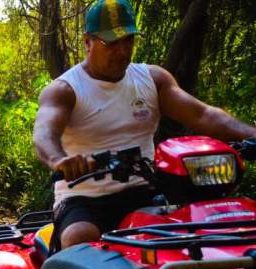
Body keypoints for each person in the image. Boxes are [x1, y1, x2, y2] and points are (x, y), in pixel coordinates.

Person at [33, 0, 256, 252]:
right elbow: (43, 132)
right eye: (111, 43)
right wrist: (59, 160)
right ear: (88, 42)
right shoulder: (66, 89)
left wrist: (252, 134)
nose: (122, 51)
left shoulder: (152, 79)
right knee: (79, 238)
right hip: (83, 199)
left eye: (128, 40)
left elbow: (202, 114)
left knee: (188, 234)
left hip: (143, 192)